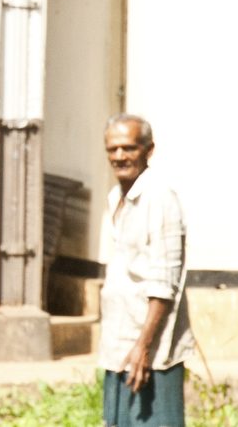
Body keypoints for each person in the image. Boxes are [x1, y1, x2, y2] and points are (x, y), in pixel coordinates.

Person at [99, 114, 194, 427]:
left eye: (129, 148)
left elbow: (164, 283)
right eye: (113, 149)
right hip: (119, 343)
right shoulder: (116, 198)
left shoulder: (160, 198)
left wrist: (143, 347)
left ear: (148, 150)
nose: (120, 156)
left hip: (151, 351)